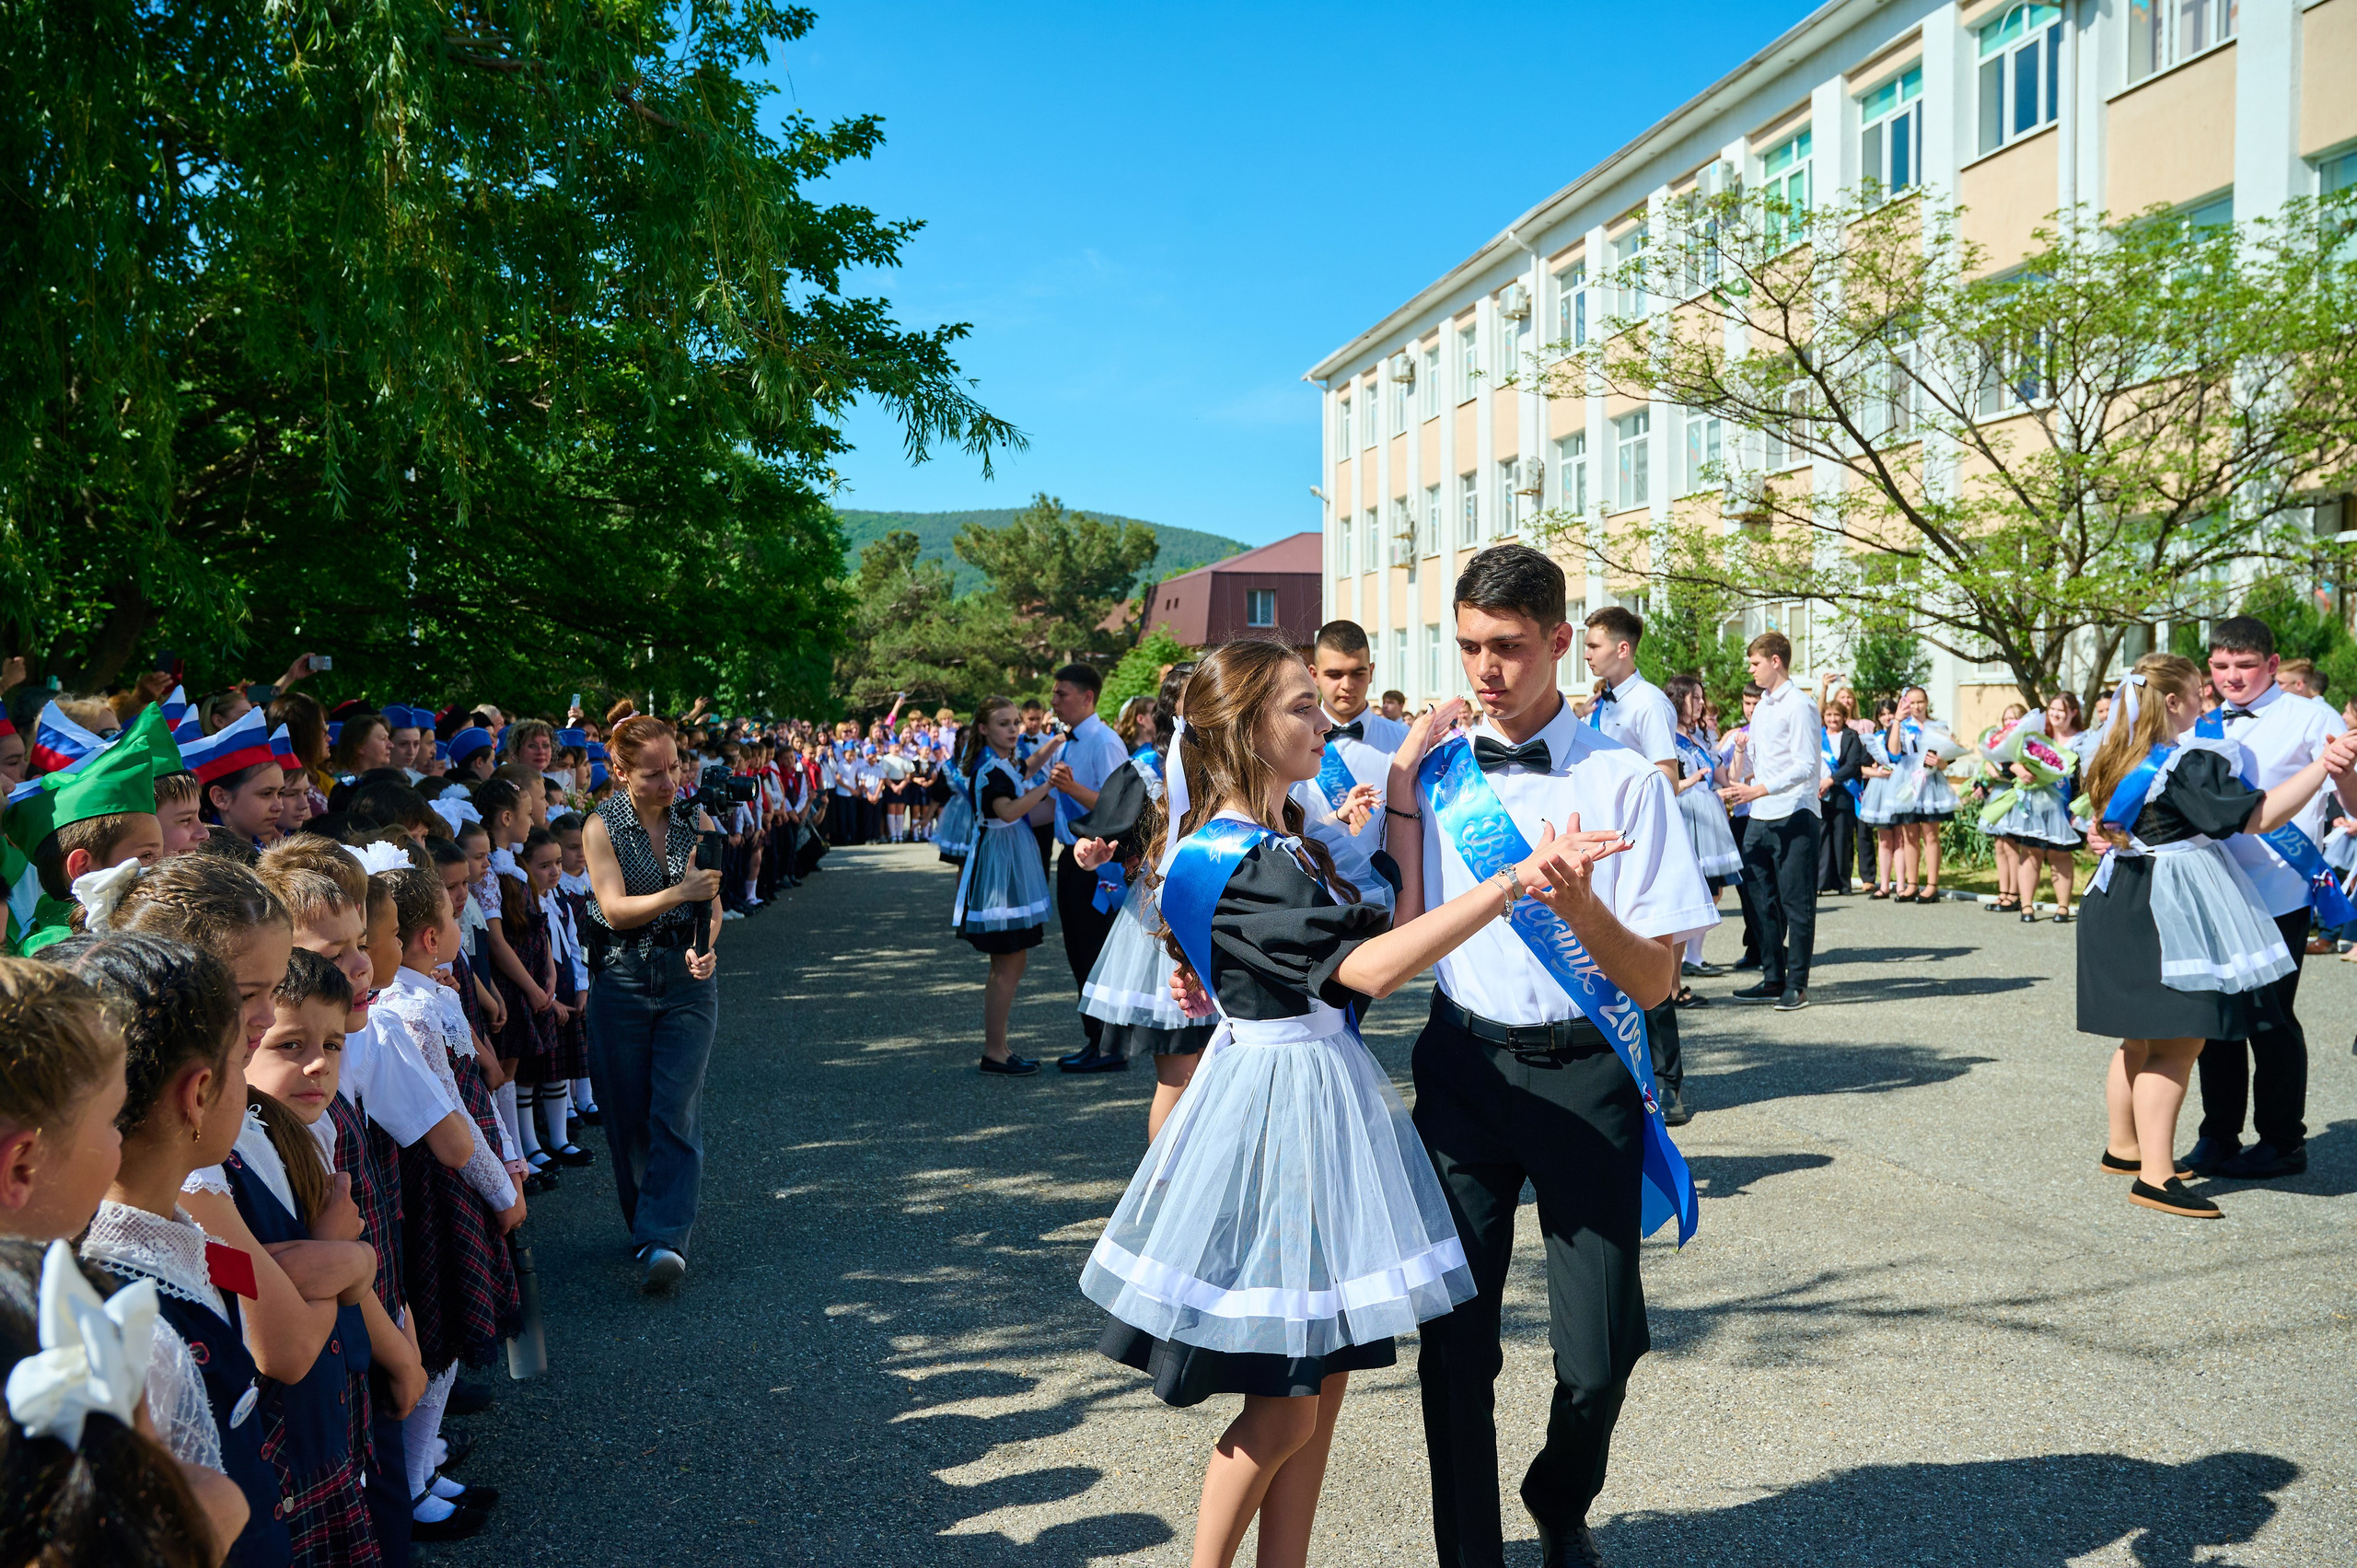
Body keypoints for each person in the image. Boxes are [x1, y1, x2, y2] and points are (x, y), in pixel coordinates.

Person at [1082, 635, 1613, 1568]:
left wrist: (1402, 780)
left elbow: (1386, 917)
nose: (1322, 720)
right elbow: (1368, 966)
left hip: (1315, 1095)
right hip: (1281, 1109)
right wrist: (1512, 880)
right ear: (1246, 728)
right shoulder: (1240, 855)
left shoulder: (1283, 837)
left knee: (1318, 1385)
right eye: (1300, 705)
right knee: (1287, 1398)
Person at [1365, 546, 1712, 1568]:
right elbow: (1398, 930)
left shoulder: (1625, 782)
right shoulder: (1436, 775)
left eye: (1509, 646)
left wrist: (1582, 908)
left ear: (1560, 640)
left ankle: (1560, 1495)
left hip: (1584, 1073)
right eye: (1470, 645)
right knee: (1454, 1347)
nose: (1486, 668)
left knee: (1601, 1352)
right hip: (1463, 1069)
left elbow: (1656, 984)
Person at [2076, 653, 2357, 1217]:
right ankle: (2156, 1178)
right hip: (2166, 904)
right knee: (2176, 1043)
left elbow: (2101, 823)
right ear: (2173, 702)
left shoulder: (2115, 751)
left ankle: (2125, 1148)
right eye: (2198, 692)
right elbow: (2259, 817)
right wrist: (2322, 766)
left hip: (2118, 895)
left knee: (2137, 1038)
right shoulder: (2185, 763)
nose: (2208, 700)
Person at [2189, 616, 2348, 1180]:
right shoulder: (2204, 722)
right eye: (2221, 665)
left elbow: (2349, 795)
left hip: (2279, 889)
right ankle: (2218, 1135)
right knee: (2216, 1019)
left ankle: (2282, 1142)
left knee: (2269, 1017)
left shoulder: (2312, 717)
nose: (2232, 677)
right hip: (2213, 886)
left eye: (2246, 665)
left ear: (2273, 665)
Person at [579, 715, 723, 1294]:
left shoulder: (697, 819)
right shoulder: (601, 825)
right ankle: (647, 1226)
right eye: (654, 773)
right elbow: (614, 909)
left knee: (675, 1108)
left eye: (675, 767)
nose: (671, 782)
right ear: (620, 772)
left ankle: (666, 1238)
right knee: (628, 1115)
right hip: (622, 979)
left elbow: (712, 905)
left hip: (687, 982)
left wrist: (704, 946)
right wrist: (679, 892)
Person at [1070, 666, 1214, 1122]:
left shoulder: (1238, 764)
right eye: (1196, 696)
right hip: (1166, 927)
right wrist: (1089, 854)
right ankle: (1167, 1171)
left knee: (1221, 1076)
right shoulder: (1146, 770)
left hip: (1227, 921)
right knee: (1179, 1075)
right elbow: (1099, 837)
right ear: (1171, 709)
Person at [1577, 607, 1692, 1116]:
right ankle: (1624, 1072)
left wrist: (1631, 823)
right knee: (1607, 962)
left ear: (1622, 649)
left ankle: (1668, 1083)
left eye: (1594, 645)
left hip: (1635, 848)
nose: (1586, 654)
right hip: (1602, 850)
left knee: (1650, 965)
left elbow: (1666, 775)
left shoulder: (1649, 703)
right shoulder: (1601, 703)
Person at [952, 698, 1060, 1075]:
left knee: (1010, 960)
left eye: (1016, 722)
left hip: (1008, 859)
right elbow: (1008, 811)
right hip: (1000, 864)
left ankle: (998, 1047)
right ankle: (994, 1051)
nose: (1014, 729)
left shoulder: (1003, 762)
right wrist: (1048, 786)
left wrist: (1055, 743)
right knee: (1008, 961)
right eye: (1004, 724)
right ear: (983, 729)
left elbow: (1027, 766)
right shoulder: (989, 769)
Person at [1721, 633, 1823, 1011]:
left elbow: (1806, 765)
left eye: (1755, 663)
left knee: (1797, 904)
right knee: (1760, 902)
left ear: (1775, 661)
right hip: (1760, 816)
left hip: (1795, 813)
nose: (1750, 670)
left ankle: (1797, 986)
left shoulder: (1800, 705)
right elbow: (1757, 762)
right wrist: (1737, 777)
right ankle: (1773, 977)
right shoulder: (1762, 706)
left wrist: (1759, 789)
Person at [1044, 666, 1132, 1073]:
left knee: (1098, 951)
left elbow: (1122, 806)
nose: (1054, 701)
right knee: (1078, 951)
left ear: (1087, 697)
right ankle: (1094, 1039)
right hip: (1071, 855)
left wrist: (1071, 788)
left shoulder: (1104, 741)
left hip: (1100, 862)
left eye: (1061, 694)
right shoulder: (1068, 742)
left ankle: (1111, 1045)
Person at [1818, 698, 1867, 895]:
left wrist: (1831, 780)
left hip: (1843, 794)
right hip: (1819, 794)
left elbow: (1853, 764)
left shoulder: (1851, 736)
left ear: (1844, 717)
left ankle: (1843, 883)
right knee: (1821, 838)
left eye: (1837, 715)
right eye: (1829, 715)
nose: (1833, 719)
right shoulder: (1817, 736)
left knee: (1842, 839)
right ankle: (1820, 883)